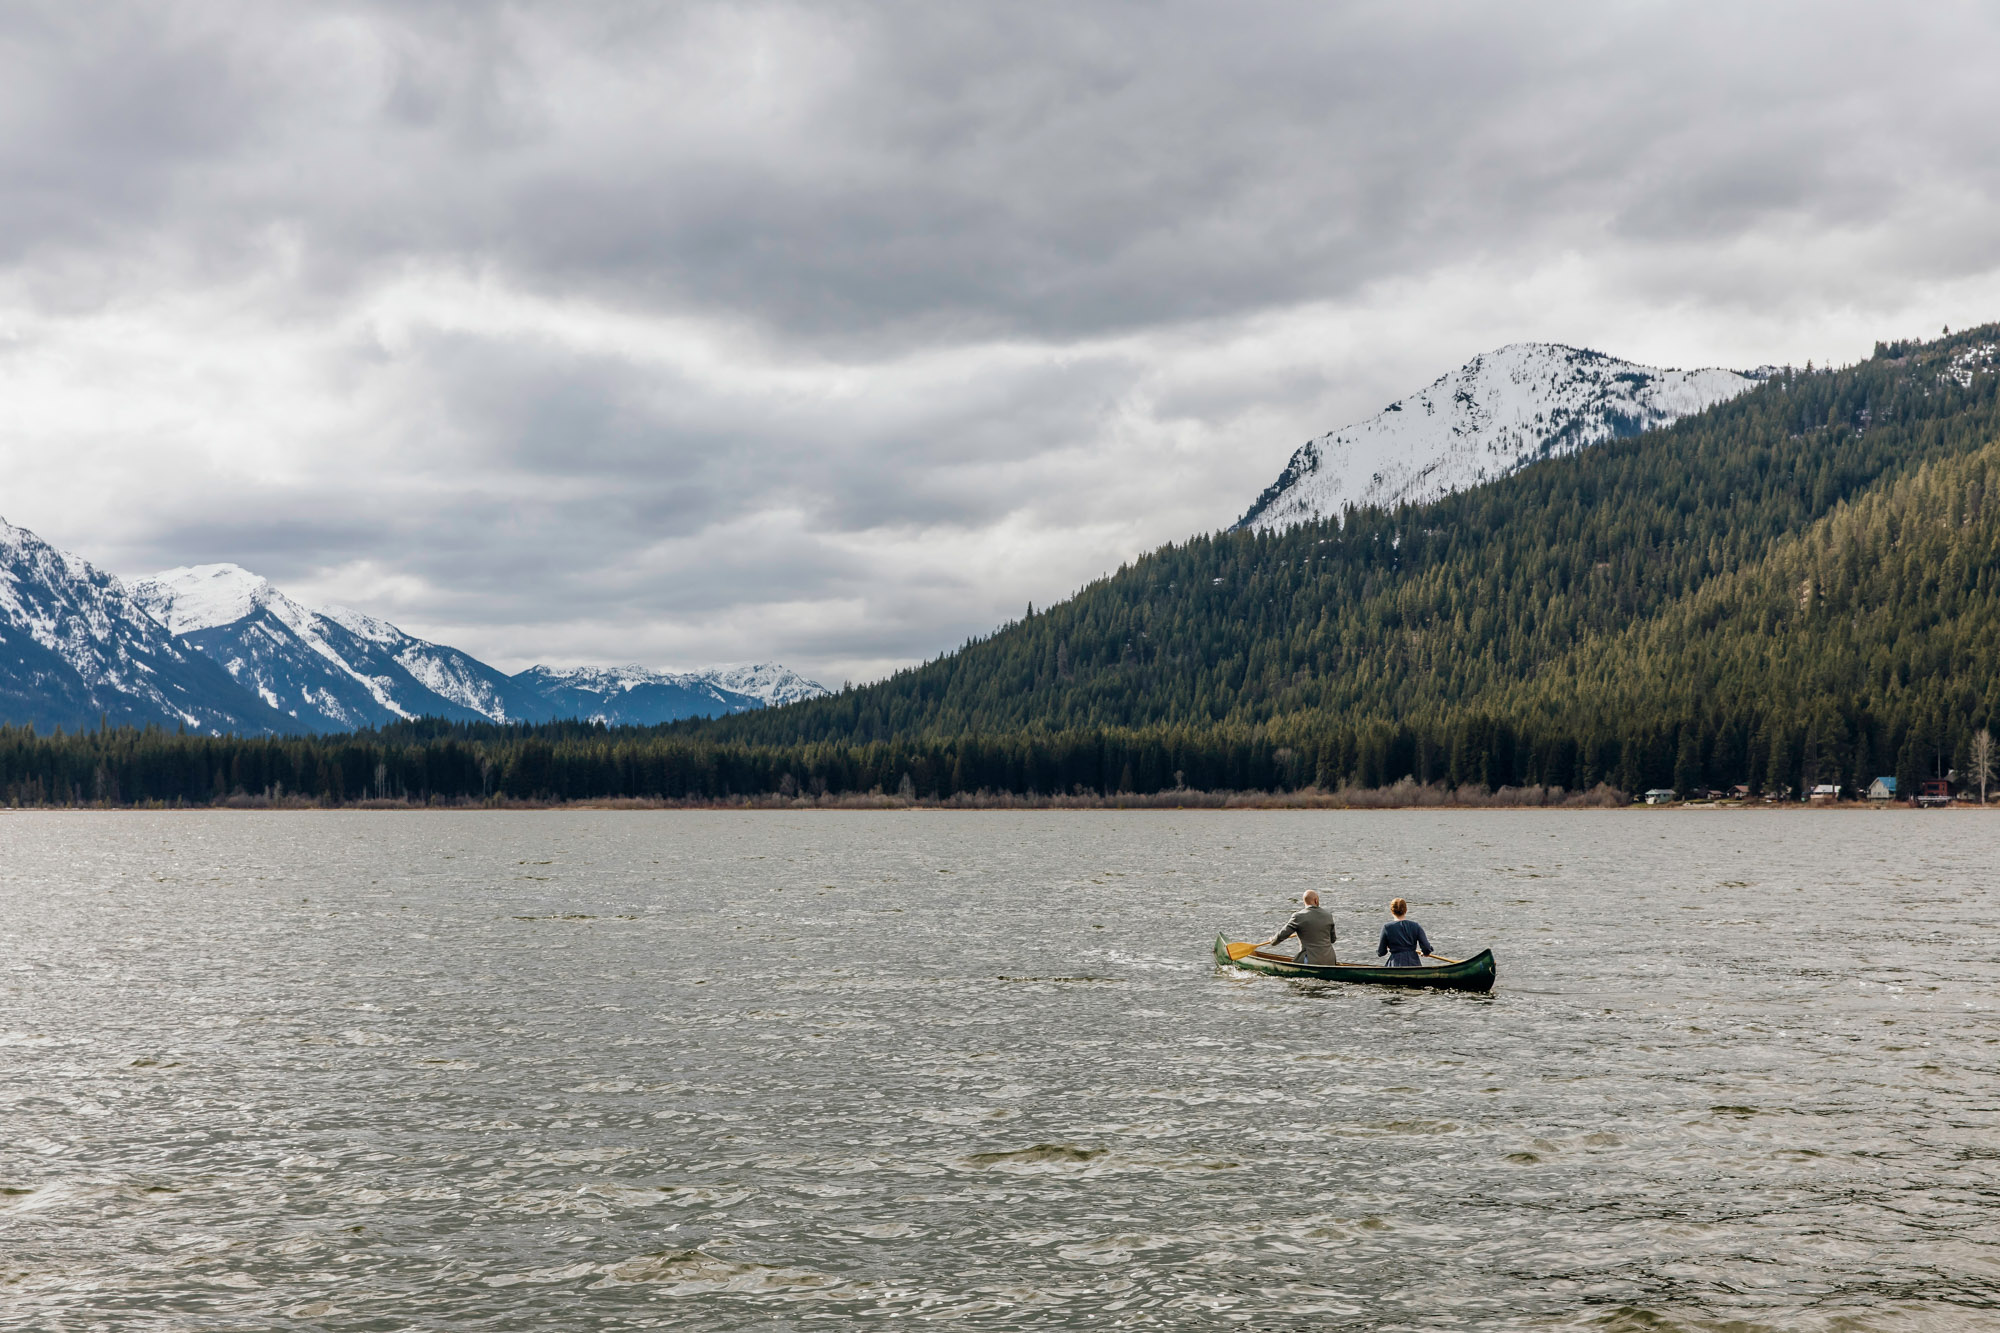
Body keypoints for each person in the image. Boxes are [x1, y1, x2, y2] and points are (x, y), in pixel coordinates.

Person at [1262, 890, 1337, 965]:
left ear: (1304, 901)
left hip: (1311, 960)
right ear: (1316, 900)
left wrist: (1273, 940)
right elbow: (1332, 939)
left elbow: (1283, 934)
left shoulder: (1298, 916)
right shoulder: (1328, 915)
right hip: (1330, 960)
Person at [1376, 898, 1433, 967]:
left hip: (1395, 964)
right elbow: (1426, 947)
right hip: (1413, 963)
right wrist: (1425, 953)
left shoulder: (1387, 928)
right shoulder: (1415, 926)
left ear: (1392, 911)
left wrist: (1388, 947)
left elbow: (1381, 952)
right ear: (1406, 910)